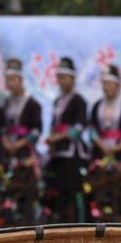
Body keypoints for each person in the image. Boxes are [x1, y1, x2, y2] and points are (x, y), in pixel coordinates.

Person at [87, 64, 121, 218]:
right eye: (103, 83)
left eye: (109, 84)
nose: (106, 87)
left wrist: (118, 147)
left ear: (117, 85)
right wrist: (101, 145)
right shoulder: (97, 106)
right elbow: (92, 130)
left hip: (120, 152)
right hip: (101, 151)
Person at [44, 57, 89, 223]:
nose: (61, 81)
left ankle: (79, 223)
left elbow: (79, 127)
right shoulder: (57, 101)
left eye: (64, 77)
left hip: (72, 153)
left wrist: (59, 137)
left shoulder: (79, 101)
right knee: (57, 191)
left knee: (72, 190)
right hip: (57, 152)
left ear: (73, 79)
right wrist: (51, 140)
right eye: (59, 78)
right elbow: (53, 125)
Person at [0, 58, 43, 224]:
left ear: (21, 80)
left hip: (26, 155)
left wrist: (19, 144)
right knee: (7, 194)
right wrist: (5, 142)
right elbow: (2, 127)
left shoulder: (32, 103)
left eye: (13, 79)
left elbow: (37, 130)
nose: (10, 83)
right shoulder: (6, 103)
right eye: (7, 80)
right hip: (9, 155)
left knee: (28, 195)